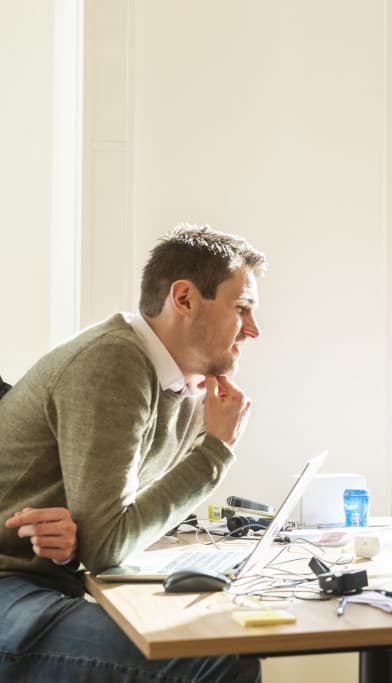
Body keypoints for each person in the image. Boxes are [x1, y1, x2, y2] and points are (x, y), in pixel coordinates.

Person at [0, 224, 266, 681]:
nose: (254, 330)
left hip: (51, 583)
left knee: (225, 633)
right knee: (220, 660)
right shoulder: (111, 364)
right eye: (241, 308)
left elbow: (109, 528)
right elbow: (106, 546)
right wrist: (216, 450)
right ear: (183, 299)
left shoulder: (179, 384)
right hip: (12, 589)